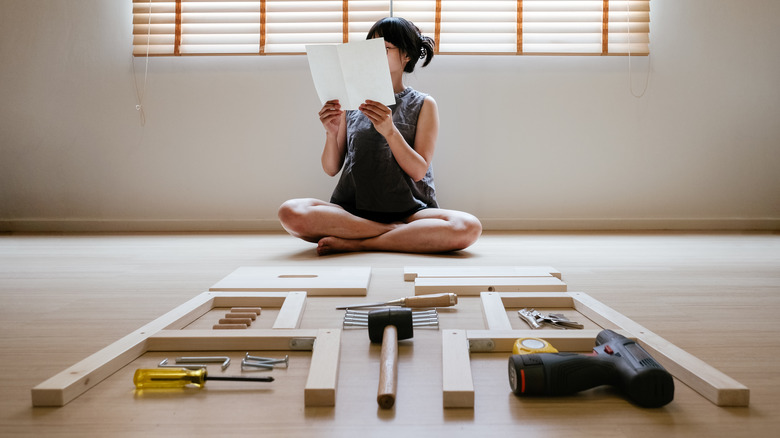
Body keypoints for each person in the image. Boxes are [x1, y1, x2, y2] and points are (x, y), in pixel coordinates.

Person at [278, 17, 482, 256]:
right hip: (352, 211)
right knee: (290, 212)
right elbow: (331, 168)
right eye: (371, 48)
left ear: (406, 55)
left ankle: (361, 243)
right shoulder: (350, 102)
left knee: (468, 227)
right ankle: (392, 232)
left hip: (410, 212)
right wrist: (330, 132)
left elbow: (418, 171)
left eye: (384, 49)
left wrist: (390, 131)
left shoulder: (424, 104)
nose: (374, 55)